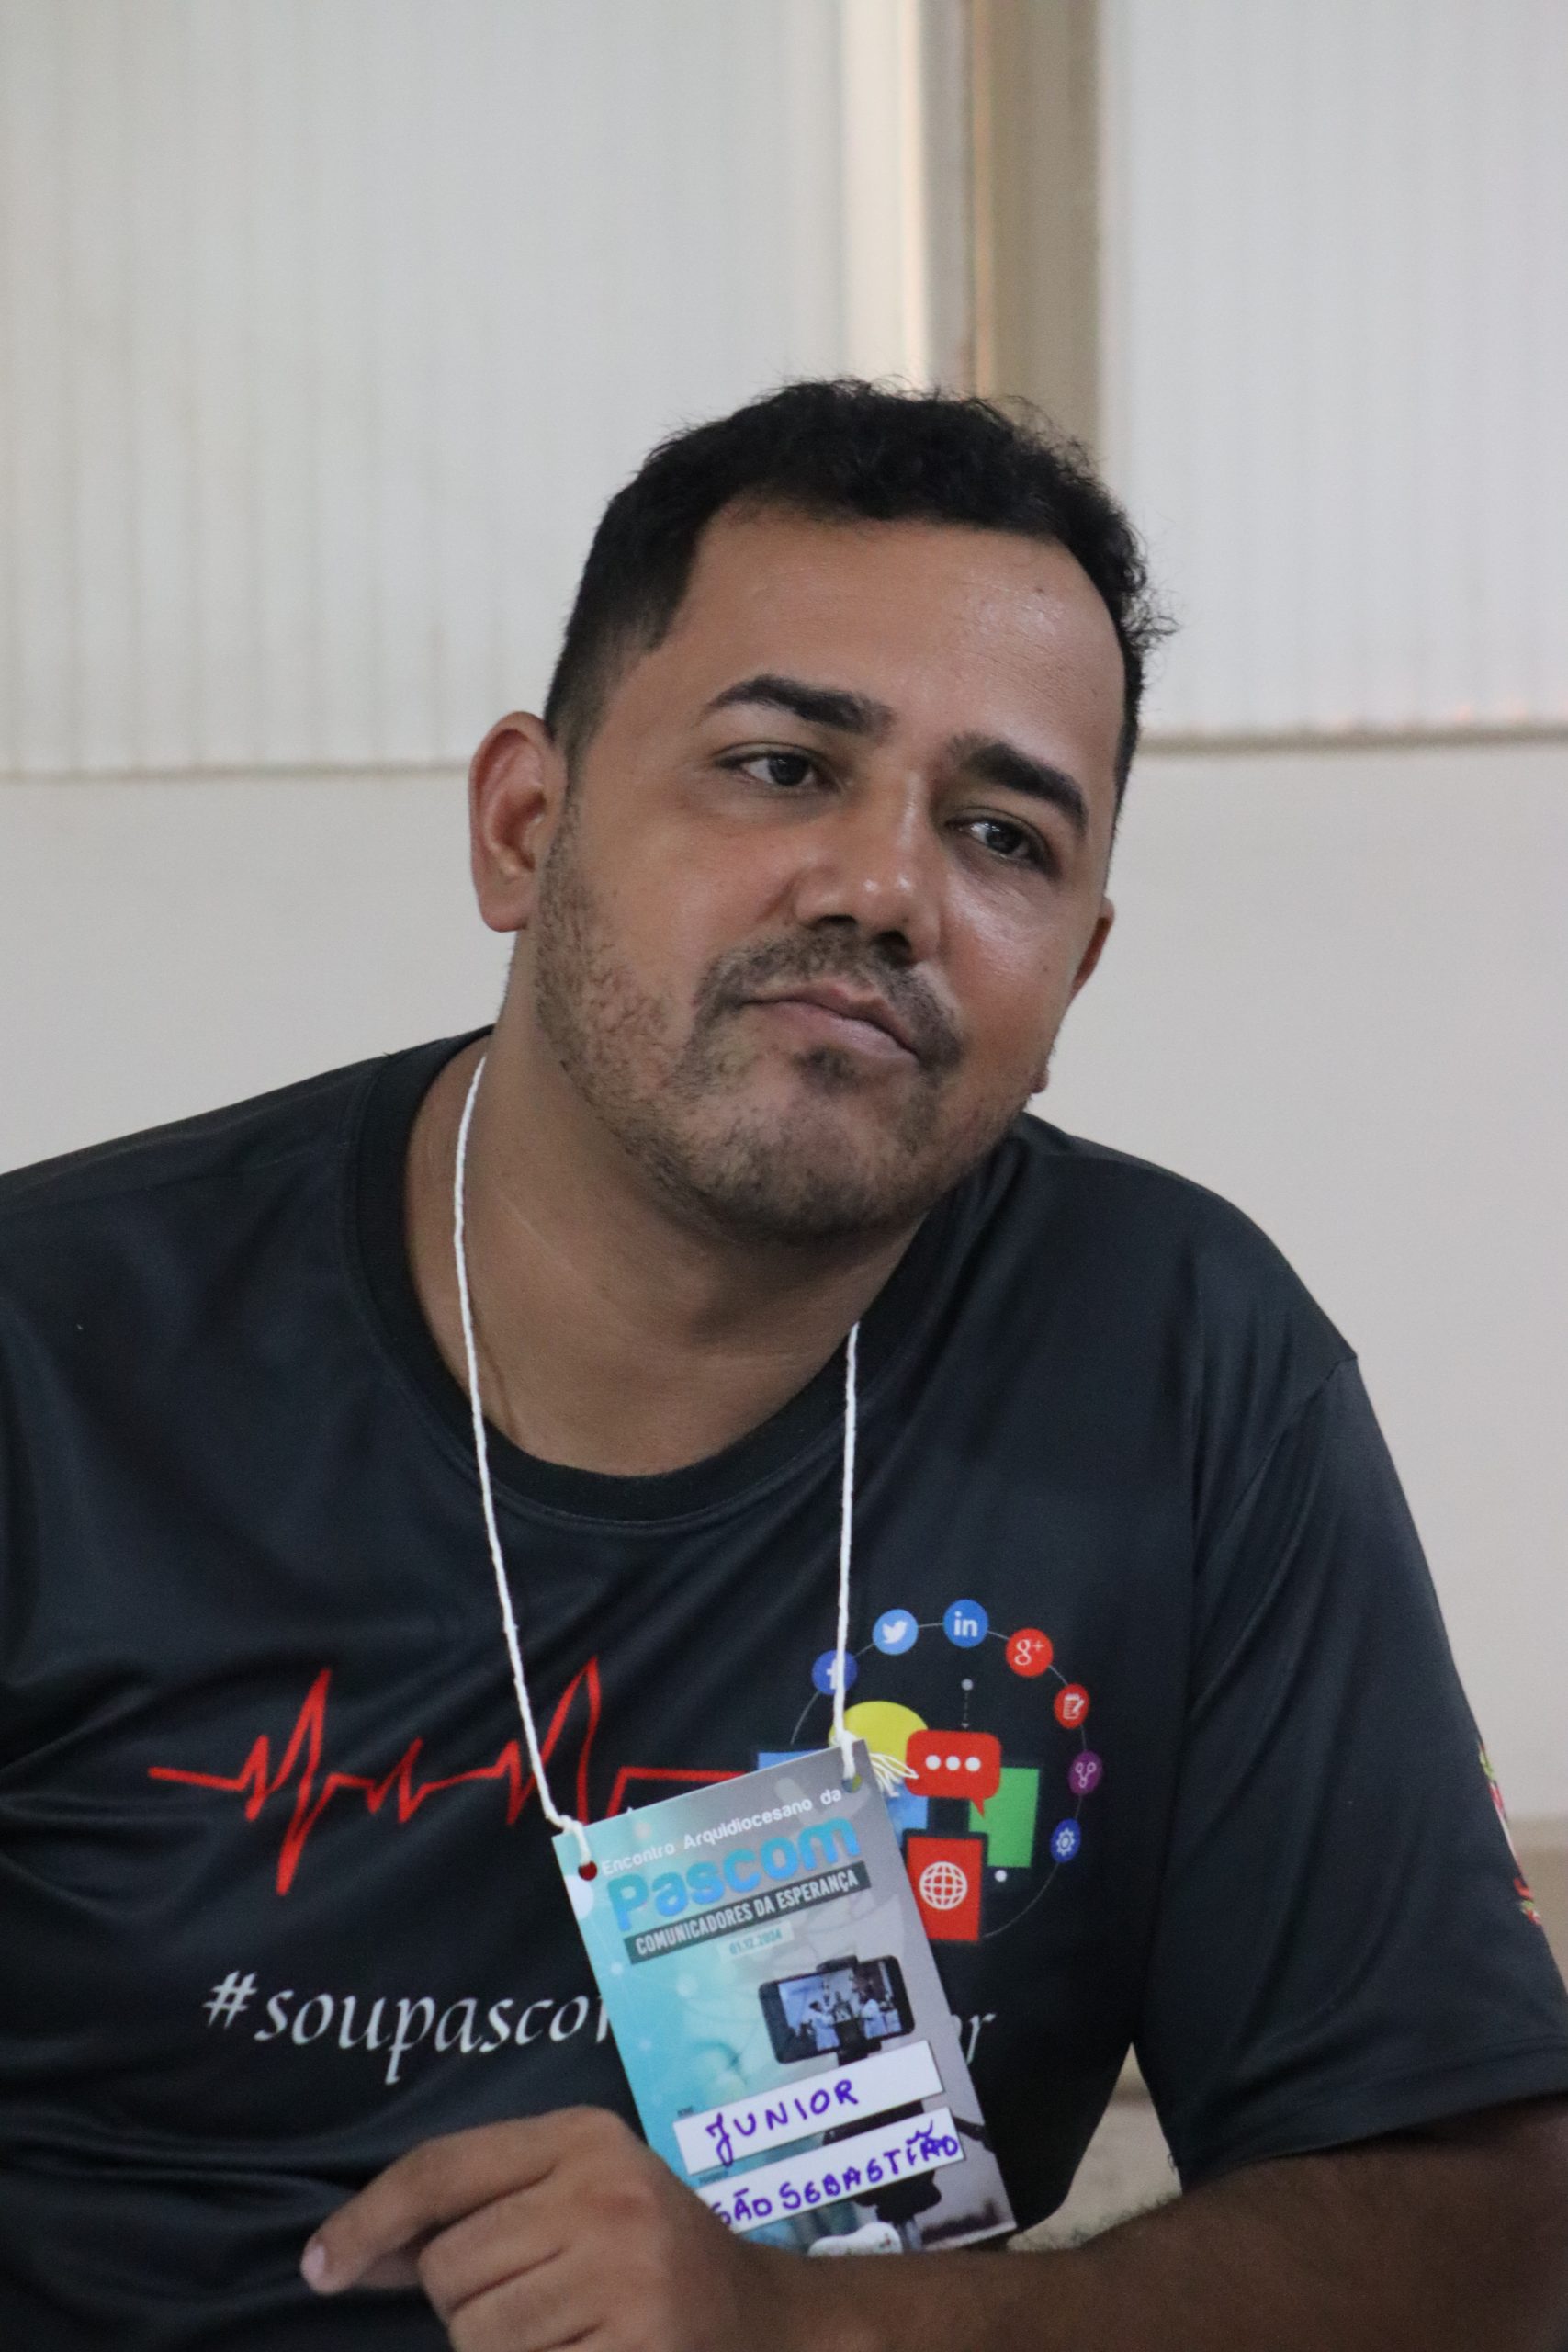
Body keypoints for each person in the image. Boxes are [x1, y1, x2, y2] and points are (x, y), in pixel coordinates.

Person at [1, 379, 1565, 2350]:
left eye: (999, 833)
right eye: (778, 765)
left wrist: (808, 2326)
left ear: (1072, 971)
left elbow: (1485, 2233)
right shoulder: (59, 1355)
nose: (883, 888)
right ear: (523, 824)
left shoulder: (1178, 1368)